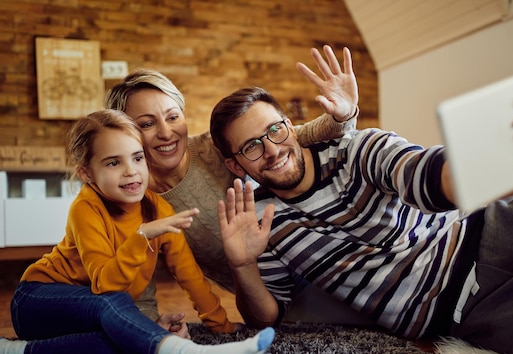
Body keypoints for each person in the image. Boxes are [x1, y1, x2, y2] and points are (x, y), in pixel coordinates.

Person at [209, 45, 513, 354]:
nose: (272, 150)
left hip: (494, 234)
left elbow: (426, 176)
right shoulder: (258, 219)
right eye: (252, 147)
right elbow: (266, 318)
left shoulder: (355, 149)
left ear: (291, 127)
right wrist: (242, 265)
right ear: (235, 165)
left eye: (275, 131)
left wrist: (506, 154)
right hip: (465, 314)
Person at [0, 109, 274, 354]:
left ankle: (1, 352)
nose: (131, 171)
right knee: (111, 302)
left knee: (117, 346)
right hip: (36, 302)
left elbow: (188, 273)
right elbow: (105, 285)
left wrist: (220, 326)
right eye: (113, 162)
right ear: (86, 174)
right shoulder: (85, 208)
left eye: (137, 158)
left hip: (88, 313)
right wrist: (142, 236)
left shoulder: (159, 209)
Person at [104, 46, 359, 322]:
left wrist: (342, 115)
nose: (166, 133)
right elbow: (138, 275)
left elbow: (295, 136)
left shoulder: (212, 149)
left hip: (315, 259)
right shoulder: (133, 198)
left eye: (173, 117)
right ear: (125, 132)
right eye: (146, 124)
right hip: (264, 299)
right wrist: (150, 327)